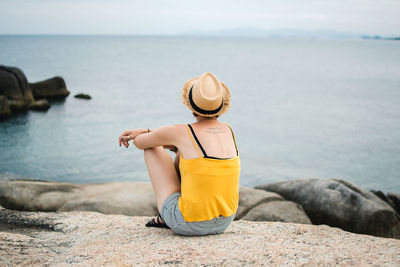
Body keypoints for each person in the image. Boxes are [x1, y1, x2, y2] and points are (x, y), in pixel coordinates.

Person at [118, 72, 240, 236]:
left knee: (152, 148)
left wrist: (146, 132)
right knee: (184, 151)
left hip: (188, 223)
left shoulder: (181, 132)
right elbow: (182, 143)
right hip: (225, 221)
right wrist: (160, 135)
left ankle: (164, 216)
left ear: (190, 104)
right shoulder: (228, 129)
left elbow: (141, 142)